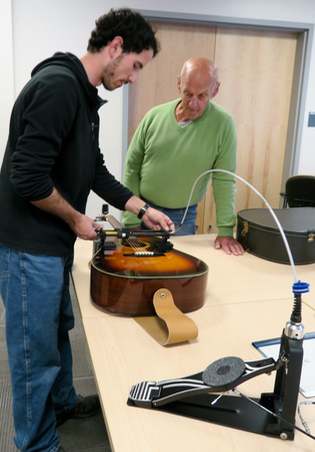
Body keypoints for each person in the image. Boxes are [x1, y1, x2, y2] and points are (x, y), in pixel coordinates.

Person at [0, 8, 174, 452]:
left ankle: (61, 402)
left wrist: (140, 206)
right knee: (32, 351)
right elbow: (27, 177)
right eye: (136, 65)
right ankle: (36, 443)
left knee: (59, 328)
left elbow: (92, 169)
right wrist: (76, 219)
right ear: (115, 47)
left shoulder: (83, 95)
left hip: (51, 244)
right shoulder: (58, 88)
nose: (135, 78)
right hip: (29, 248)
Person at [122, 57, 244, 256]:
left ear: (215, 90)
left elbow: (224, 179)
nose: (193, 103)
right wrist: (132, 218)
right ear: (179, 83)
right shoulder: (154, 116)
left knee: (178, 276)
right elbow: (131, 168)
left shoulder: (223, 124)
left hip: (182, 219)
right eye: (188, 93)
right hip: (142, 212)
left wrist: (225, 229)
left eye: (202, 96)